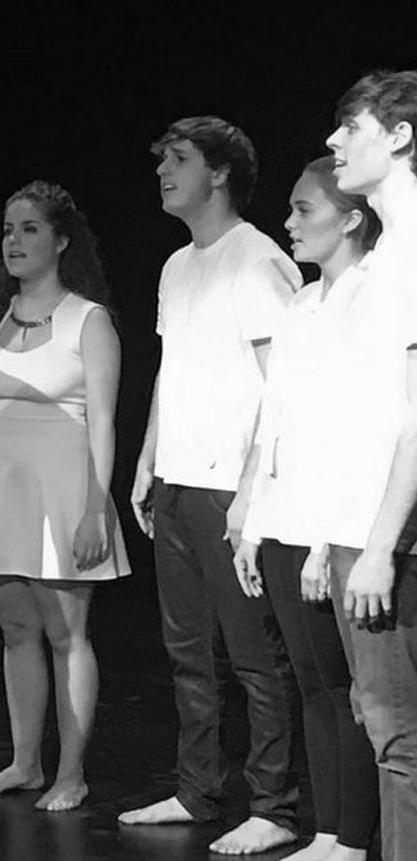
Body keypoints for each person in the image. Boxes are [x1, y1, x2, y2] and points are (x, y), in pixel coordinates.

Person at [120, 116, 302, 856]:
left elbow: (281, 385)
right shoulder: (175, 266)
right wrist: (147, 458)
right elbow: (175, 367)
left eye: (180, 157)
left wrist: (256, 493)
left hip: (234, 487)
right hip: (179, 480)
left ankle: (276, 803)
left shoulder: (256, 259)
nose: (163, 167)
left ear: (220, 173)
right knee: (187, 648)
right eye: (162, 155)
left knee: (256, 655)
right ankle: (198, 787)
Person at [0, 181, 128, 813]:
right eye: (7, 229)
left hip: (65, 486)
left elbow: (103, 420)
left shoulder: (88, 319)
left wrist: (95, 506)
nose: (13, 241)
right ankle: (25, 763)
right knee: (17, 629)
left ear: (60, 240)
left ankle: (70, 773)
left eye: (28, 229)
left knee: (65, 631)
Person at [231, 155, 381, 861]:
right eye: (288, 208)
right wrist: (251, 516)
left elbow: (359, 431)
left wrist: (329, 537)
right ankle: (327, 829)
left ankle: (354, 836)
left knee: (349, 687)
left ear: (351, 219)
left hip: (337, 524)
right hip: (286, 517)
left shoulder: (369, 304)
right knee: (315, 684)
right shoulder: (301, 306)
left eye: (305, 210)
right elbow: (278, 418)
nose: (289, 223)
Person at [319, 69, 417, 861]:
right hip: (360, 529)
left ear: (400, 136)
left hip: (396, 538)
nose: (334, 141)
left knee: (402, 742)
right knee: (381, 727)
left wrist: (382, 541)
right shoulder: (384, 260)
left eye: (351, 127)